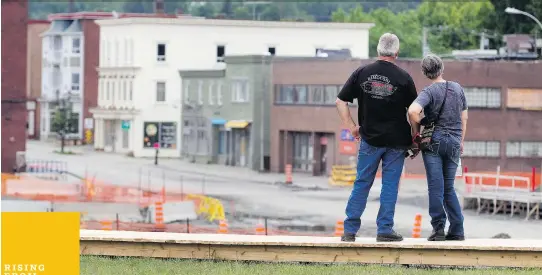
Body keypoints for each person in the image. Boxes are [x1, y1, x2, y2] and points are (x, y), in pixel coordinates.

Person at [335, 33, 419, 242]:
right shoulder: (404, 78)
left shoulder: (362, 72)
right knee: (390, 185)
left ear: (378, 51)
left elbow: (340, 101)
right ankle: (384, 230)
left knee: (362, 183)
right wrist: (415, 134)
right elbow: (413, 112)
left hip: (369, 139)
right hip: (397, 142)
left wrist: (352, 128)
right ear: (396, 53)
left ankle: (350, 230)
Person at [407, 54, 468, 241]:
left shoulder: (429, 91)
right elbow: (464, 117)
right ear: (442, 68)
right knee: (449, 188)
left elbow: (412, 110)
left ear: (425, 72)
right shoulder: (457, 88)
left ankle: (438, 229)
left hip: (434, 141)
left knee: (436, 187)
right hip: (455, 142)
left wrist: (422, 123)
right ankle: (457, 230)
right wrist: (461, 141)